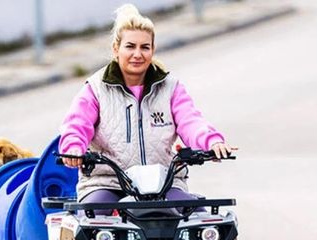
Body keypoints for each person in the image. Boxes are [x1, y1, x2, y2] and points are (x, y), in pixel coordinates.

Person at [59, 4, 233, 206]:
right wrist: (73, 148)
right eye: (130, 46)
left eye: (145, 47)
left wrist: (211, 142)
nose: (137, 54)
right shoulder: (96, 88)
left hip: (165, 183)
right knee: (92, 222)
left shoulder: (171, 87)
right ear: (116, 49)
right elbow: (76, 125)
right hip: (107, 182)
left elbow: (191, 121)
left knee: (195, 220)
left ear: (153, 50)